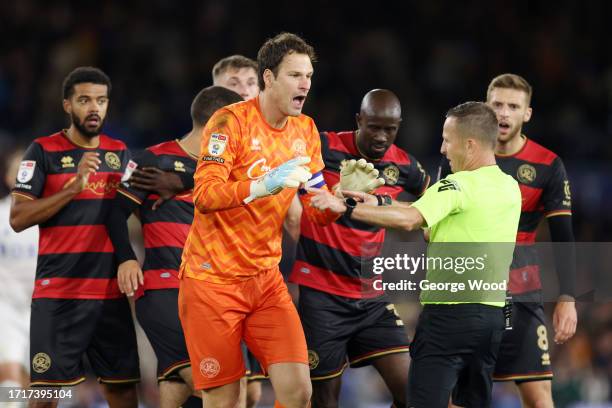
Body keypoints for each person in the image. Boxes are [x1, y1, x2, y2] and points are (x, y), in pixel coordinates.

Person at [178, 32, 355, 408]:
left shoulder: (306, 131)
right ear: (269, 78)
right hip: (212, 282)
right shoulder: (230, 122)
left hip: (265, 282)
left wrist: (337, 203)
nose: (305, 83)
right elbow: (205, 196)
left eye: (308, 75)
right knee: (225, 400)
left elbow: (315, 209)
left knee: (298, 392)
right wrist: (261, 185)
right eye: (295, 75)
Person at [309, 101, 522, 407]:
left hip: (449, 318)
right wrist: (377, 202)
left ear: (470, 144)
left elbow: (412, 219)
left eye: (448, 140)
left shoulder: (457, 184)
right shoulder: (509, 187)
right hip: (491, 318)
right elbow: (421, 210)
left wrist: (347, 207)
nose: (444, 149)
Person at [439, 73, 577, 407]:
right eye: (497, 104)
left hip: (522, 295)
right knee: (462, 397)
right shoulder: (461, 154)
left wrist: (568, 297)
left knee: (538, 396)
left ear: (527, 113)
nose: (503, 113)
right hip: (469, 293)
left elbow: (563, 236)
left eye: (513, 106)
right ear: (486, 107)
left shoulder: (547, 165)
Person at [288, 89, 429, 408]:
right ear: (358, 120)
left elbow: (427, 202)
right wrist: (329, 191)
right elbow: (282, 177)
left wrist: (384, 203)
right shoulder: (322, 146)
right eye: (374, 127)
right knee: (325, 400)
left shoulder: (405, 165)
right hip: (321, 295)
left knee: (415, 394)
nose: (381, 137)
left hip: (371, 296)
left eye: (389, 129)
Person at [9, 67, 140, 408]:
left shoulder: (121, 153)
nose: (93, 108)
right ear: (67, 105)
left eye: (101, 100)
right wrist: (72, 190)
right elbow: (18, 218)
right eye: (84, 100)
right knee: (45, 397)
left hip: (110, 296)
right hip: (59, 296)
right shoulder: (42, 151)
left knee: (124, 392)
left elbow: (137, 214)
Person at [107, 86, 243, 408]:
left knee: (177, 387)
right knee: (216, 389)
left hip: (213, 294)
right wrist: (126, 259)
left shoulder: (227, 172)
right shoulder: (153, 160)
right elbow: (114, 212)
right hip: (165, 288)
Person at [0, 146, 38, 391]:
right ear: (8, 177)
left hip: (41, 310)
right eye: (19, 171)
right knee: (10, 379)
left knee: (34, 384)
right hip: (6, 308)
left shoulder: (50, 218)